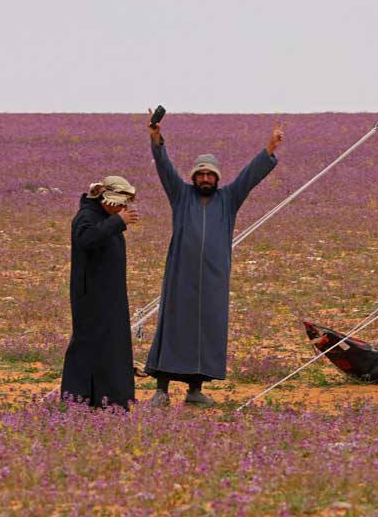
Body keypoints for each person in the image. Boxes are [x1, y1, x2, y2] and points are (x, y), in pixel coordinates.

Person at [144, 113, 284, 406]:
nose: (205, 179)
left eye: (210, 175)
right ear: (193, 176)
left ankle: (195, 391)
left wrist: (269, 149)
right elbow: (165, 168)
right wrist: (157, 139)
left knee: (206, 330)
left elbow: (249, 177)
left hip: (213, 278)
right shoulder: (180, 195)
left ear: (217, 178)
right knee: (173, 326)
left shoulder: (228, 200)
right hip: (180, 274)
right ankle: (162, 389)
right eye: (200, 174)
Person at [61, 176, 140, 409]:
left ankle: (110, 400)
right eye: (120, 203)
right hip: (92, 298)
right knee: (87, 346)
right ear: (106, 199)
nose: (123, 208)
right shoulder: (86, 217)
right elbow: (87, 239)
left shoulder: (104, 217)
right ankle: (78, 398)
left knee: (112, 345)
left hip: (109, 295)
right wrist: (118, 222)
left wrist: (116, 221)